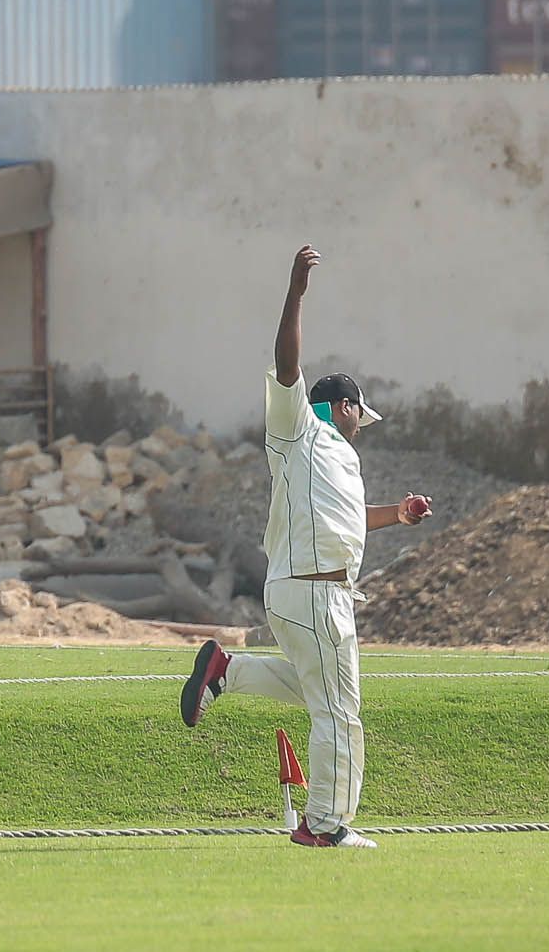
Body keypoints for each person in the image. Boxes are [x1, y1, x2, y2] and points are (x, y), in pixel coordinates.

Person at [180, 245, 432, 849]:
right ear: (343, 406)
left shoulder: (338, 457)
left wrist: (397, 515)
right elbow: (286, 364)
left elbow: (345, 522)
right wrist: (295, 293)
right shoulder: (300, 429)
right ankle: (323, 825)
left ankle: (225, 671)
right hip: (315, 591)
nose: (360, 423)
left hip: (309, 591)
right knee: (338, 712)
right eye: (359, 413)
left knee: (317, 688)